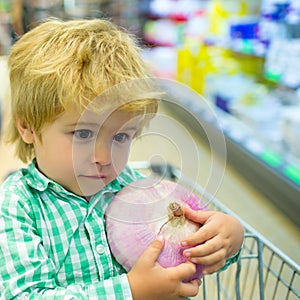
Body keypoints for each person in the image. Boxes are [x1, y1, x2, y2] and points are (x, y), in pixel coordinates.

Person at [0, 18, 244, 299]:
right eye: (82, 134)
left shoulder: (135, 189)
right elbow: (24, 295)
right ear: (28, 126)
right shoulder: (17, 206)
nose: (103, 157)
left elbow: (183, 251)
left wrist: (227, 240)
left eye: (120, 137)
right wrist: (130, 291)